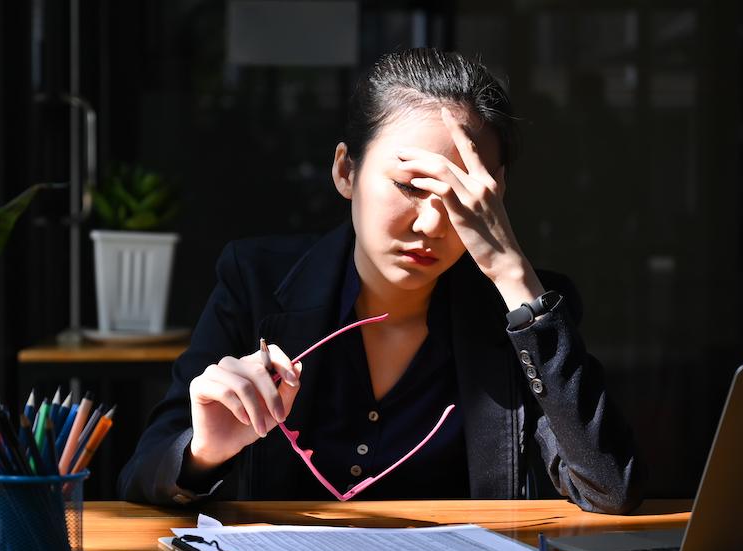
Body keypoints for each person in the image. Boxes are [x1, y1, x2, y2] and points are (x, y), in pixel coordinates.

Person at [117, 48, 642, 514]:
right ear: (346, 171)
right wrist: (205, 454)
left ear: (496, 197)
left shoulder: (523, 314)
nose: (432, 224)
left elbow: (608, 489)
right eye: (410, 186)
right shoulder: (255, 281)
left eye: (461, 198)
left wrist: (511, 275)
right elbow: (143, 474)